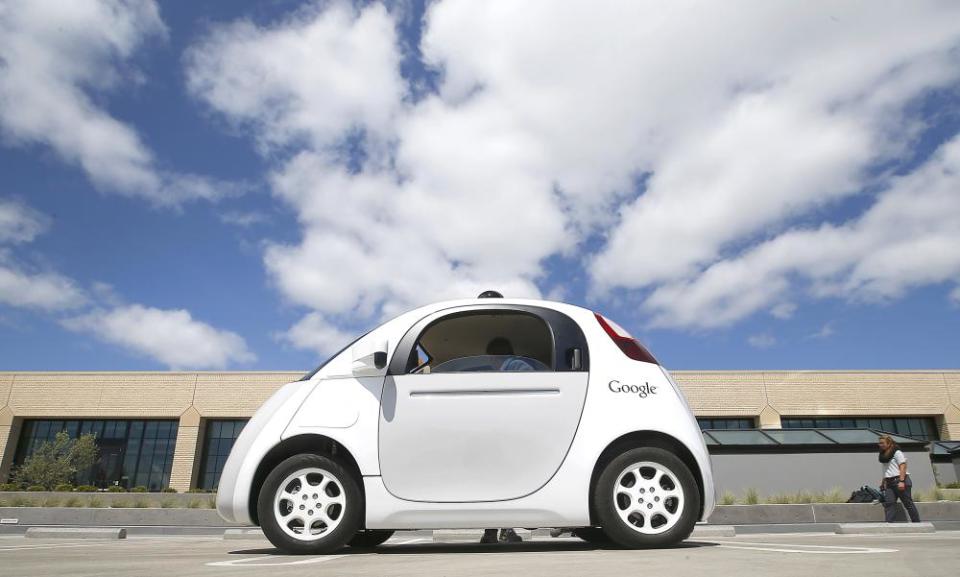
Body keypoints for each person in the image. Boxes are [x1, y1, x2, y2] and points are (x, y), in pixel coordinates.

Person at [480, 337, 527, 544]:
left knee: (498, 481)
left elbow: (529, 388)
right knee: (498, 481)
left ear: (496, 355)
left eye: (490, 357)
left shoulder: (515, 366)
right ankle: (495, 531)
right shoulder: (502, 371)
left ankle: (497, 531)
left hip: (506, 432)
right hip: (501, 433)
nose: (489, 361)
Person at [878, 435, 921, 523]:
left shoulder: (897, 452)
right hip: (889, 482)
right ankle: (889, 524)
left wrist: (901, 481)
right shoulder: (883, 455)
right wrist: (883, 482)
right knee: (889, 503)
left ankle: (917, 523)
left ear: (889, 443)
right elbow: (887, 470)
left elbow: (903, 466)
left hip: (900, 480)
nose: (880, 445)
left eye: (882, 443)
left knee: (908, 504)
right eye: (879, 443)